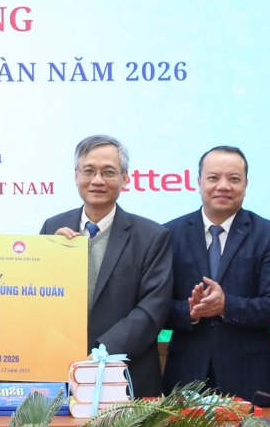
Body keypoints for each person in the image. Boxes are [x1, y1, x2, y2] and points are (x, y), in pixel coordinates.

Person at [39, 135, 174, 398]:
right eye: (88, 171)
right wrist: (51, 257)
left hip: (125, 377)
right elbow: (38, 298)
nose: (97, 180)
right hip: (60, 375)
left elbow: (152, 310)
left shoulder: (152, 236)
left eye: (109, 172)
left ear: (125, 178)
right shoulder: (52, 227)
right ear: (76, 175)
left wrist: (103, 352)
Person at [162, 146, 270, 402]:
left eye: (234, 178)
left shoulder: (269, 234)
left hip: (252, 377)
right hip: (186, 374)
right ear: (199, 182)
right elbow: (155, 305)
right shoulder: (169, 234)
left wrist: (227, 306)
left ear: (245, 184)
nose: (223, 186)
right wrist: (188, 312)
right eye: (213, 177)